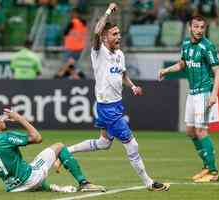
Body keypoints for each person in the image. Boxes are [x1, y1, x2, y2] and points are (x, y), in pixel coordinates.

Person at [65, 2, 170, 192]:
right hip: (107, 107)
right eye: (114, 34)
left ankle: (67, 151)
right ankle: (148, 183)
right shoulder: (99, 52)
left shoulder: (120, 54)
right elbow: (96, 32)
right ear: (105, 38)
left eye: (119, 33)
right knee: (132, 144)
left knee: (104, 143)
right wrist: (107, 12)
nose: (119, 36)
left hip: (116, 104)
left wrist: (132, 86)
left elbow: (122, 75)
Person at [0, 109, 106, 192]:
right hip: (29, 179)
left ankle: (53, 188)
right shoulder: (6, 136)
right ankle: (84, 183)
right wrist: (20, 118)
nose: (3, 119)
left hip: (13, 188)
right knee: (59, 146)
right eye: (0, 118)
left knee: (29, 166)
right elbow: (37, 138)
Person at [159, 15, 219, 183]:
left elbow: (218, 71)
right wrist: (167, 70)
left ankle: (214, 172)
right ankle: (206, 166)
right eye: (196, 27)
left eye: (202, 27)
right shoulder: (186, 44)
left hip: (204, 93)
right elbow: (182, 64)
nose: (199, 30)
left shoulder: (207, 46)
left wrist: (214, 94)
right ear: (190, 28)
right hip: (192, 93)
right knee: (190, 131)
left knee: (201, 131)